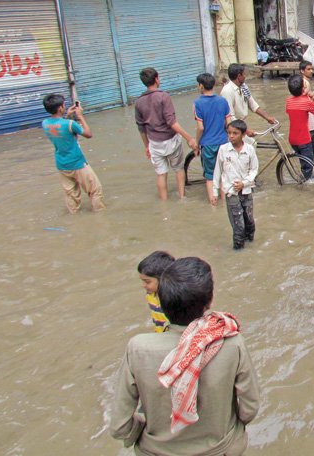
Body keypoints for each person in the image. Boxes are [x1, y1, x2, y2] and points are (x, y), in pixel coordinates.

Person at [110, 257, 261, 455]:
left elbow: (119, 426)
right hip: (219, 449)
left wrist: (142, 433)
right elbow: (250, 408)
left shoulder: (138, 349)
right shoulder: (231, 343)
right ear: (209, 301)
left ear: (161, 302)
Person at [135, 68, 199, 200]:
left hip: (154, 143)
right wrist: (189, 138)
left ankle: (164, 203)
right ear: (157, 79)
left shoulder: (139, 102)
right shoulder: (163, 96)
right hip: (171, 140)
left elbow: (141, 128)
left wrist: (147, 146)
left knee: (161, 174)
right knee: (179, 169)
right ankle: (182, 197)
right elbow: (171, 122)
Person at [41, 94, 105, 214]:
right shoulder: (70, 124)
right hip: (78, 163)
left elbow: (59, 127)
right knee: (95, 190)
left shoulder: (45, 123)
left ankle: (74, 217)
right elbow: (88, 134)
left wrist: (68, 116)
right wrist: (80, 116)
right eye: (64, 105)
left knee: (71, 195)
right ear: (60, 108)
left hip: (61, 164)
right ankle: (100, 215)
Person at [212, 120, 259, 250]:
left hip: (246, 191)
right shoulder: (223, 150)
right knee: (238, 225)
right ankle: (238, 250)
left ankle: (250, 246)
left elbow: (254, 169)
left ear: (243, 134)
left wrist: (244, 183)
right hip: (231, 192)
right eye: (229, 133)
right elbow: (217, 171)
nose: (231, 136)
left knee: (249, 222)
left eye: (235, 133)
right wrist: (214, 192)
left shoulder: (249, 150)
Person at [194, 73, 231, 202]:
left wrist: (196, 143)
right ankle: (225, 204)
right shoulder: (222, 101)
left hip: (208, 145)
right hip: (223, 143)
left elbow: (200, 128)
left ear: (201, 86)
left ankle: (213, 203)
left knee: (210, 177)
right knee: (223, 175)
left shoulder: (198, 103)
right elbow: (229, 124)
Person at [220, 63, 277, 144]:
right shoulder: (227, 91)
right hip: (233, 128)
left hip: (240, 125)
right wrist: (246, 130)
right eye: (244, 74)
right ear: (239, 76)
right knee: (251, 145)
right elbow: (230, 117)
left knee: (252, 145)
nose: (245, 76)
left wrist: (267, 117)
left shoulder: (243, 87)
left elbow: (253, 105)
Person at [285, 74, 314, 180]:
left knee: (302, 161)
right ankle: (308, 183)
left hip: (292, 139)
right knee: (309, 164)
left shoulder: (288, 101)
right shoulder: (307, 101)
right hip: (304, 138)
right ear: (303, 88)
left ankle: (304, 177)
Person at [137, 250, 175, 332]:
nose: (143, 285)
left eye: (147, 282)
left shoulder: (175, 301)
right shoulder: (150, 295)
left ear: (164, 279)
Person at [299, 60, 314, 160]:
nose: (311, 71)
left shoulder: (306, 85)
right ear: (302, 71)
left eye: (311, 69)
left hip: (311, 125)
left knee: (312, 154)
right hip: (308, 128)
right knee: (310, 155)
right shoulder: (303, 85)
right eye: (308, 69)